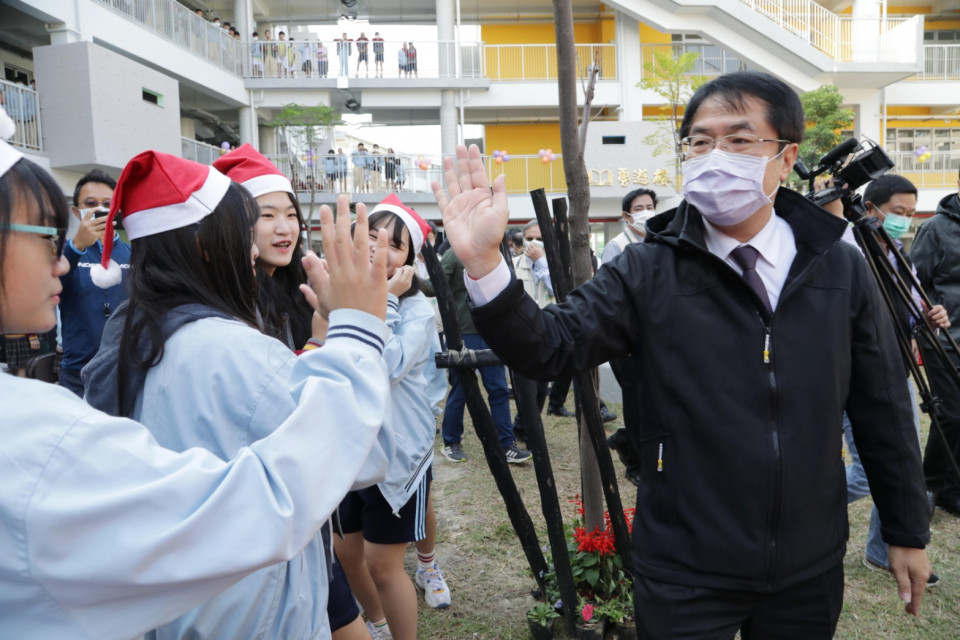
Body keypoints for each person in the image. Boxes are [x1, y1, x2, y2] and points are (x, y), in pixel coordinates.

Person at [432, 70, 932, 637]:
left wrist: (906, 529)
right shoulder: (649, 267)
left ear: (786, 155)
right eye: (699, 141)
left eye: (740, 140)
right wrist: (484, 266)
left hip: (807, 565)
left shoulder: (838, 268)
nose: (715, 155)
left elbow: (884, 407)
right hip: (684, 568)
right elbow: (550, 346)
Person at [0, 129, 394, 638]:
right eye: (46, 237)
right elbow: (360, 457)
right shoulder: (238, 351)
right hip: (252, 611)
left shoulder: (128, 331)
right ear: (208, 246)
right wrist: (354, 335)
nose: (257, 246)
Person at [822, 174, 947, 587]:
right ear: (870, 208)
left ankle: (880, 546)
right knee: (867, 468)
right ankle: (801, 503)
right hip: (847, 371)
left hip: (895, 369)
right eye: (897, 213)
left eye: (910, 215)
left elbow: (908, 311)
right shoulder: (843, 251)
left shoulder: (900, 257)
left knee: (900, 455)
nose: (904, 222)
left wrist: (931, 316)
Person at [335, 195, 447, 640]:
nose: (379, 250)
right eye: (372, 237)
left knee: (383, 565)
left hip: (397, 451)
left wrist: (392, 300)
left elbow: (388, 363)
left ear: (410, 259)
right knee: (347, 554)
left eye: (394, 244)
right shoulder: (340, 296)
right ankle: (378, 625)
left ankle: (425, 568)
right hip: (347, 448)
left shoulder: (417, 310)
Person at [420, 248, 531, 465]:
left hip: (493, 332)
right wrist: (409, 276)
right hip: (463, 332)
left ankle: (506, 444)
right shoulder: (455, 253)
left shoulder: (494, 250)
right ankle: (451, 442)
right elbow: (433, 287)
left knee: (498, 389)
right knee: (461, 389)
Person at [910, 167, 960, 520]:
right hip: (943, 338)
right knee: (952, 414)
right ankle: (928, 484)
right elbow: (914, 285)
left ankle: (951, 490)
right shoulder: (935, 229)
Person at [601, 188, 658, 484]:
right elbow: (611, 295)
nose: (646, 212)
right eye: (640, 207)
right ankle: (635, 464)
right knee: (635, 401)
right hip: (627, 339)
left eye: (650, 206)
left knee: (651, 400)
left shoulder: (660, 241)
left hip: (654, 335)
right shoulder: (617, 246)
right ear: (627, 216)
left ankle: (625, 439)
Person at [57, 170, 130, 396]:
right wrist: (77, 247)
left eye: (107, 203)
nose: (99, 209)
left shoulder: (134, 252)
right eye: (91, 203)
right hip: (77, 372)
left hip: (125, 370)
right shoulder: (62, 253)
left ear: (116, 209)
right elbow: (50, 286)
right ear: (77, 212)